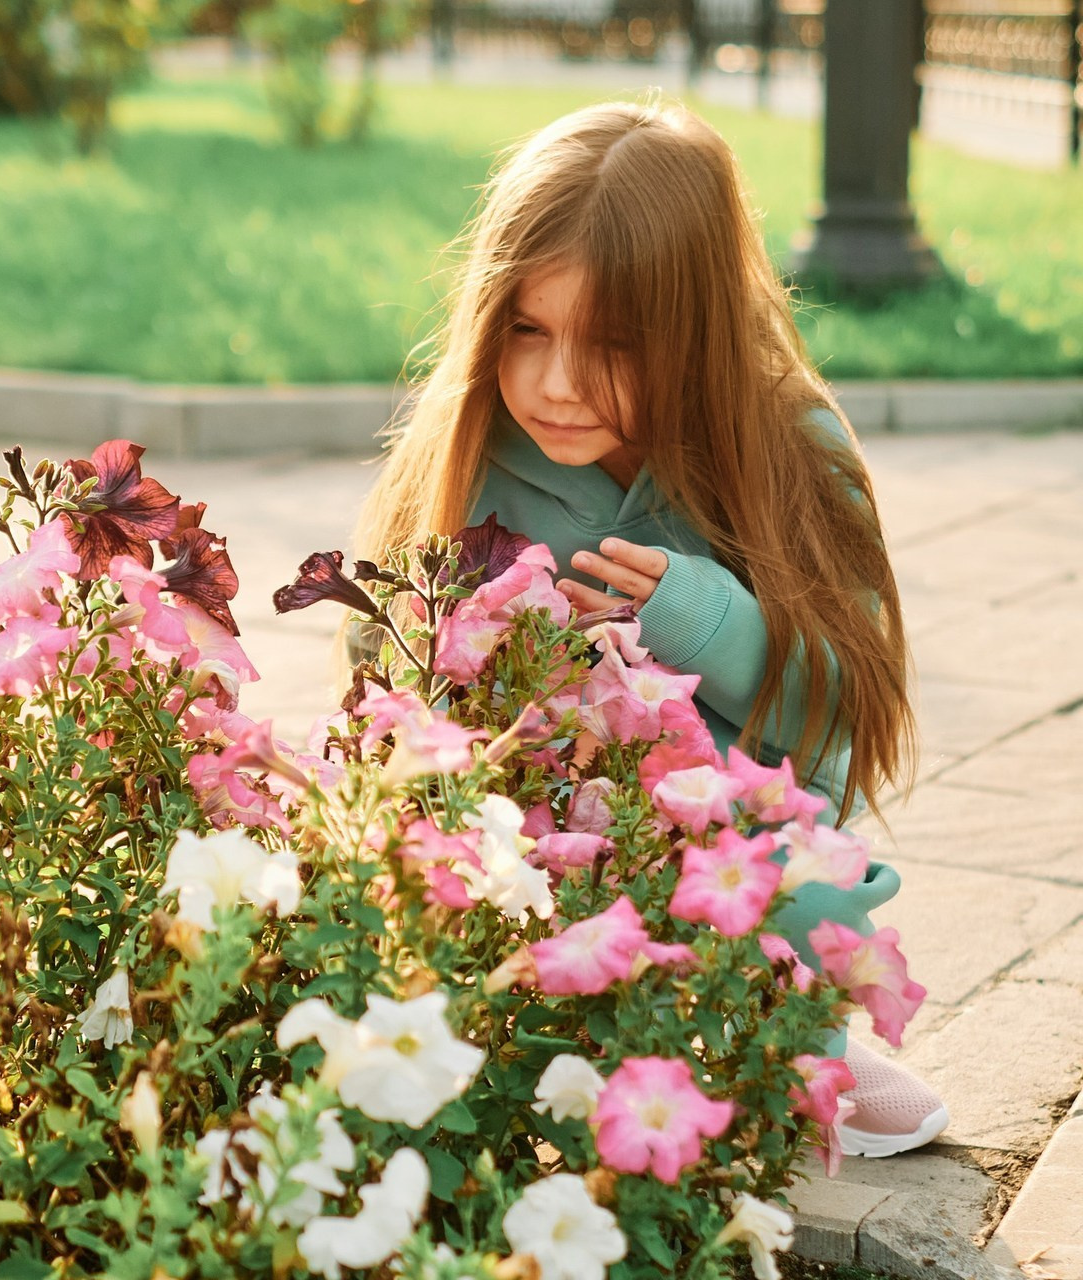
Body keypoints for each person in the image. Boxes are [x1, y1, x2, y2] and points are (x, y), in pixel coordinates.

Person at [349, 99, 946, 1157]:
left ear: (698, 331)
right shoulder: (468, 450)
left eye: (614, 344)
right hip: (534, 822)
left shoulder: (785, 448)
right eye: (526, 329)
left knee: (792, 896)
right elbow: (380, 669)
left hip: (737, 827)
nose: (556, 384)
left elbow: (849, 710)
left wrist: (699, 617)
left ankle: (790, 1040)